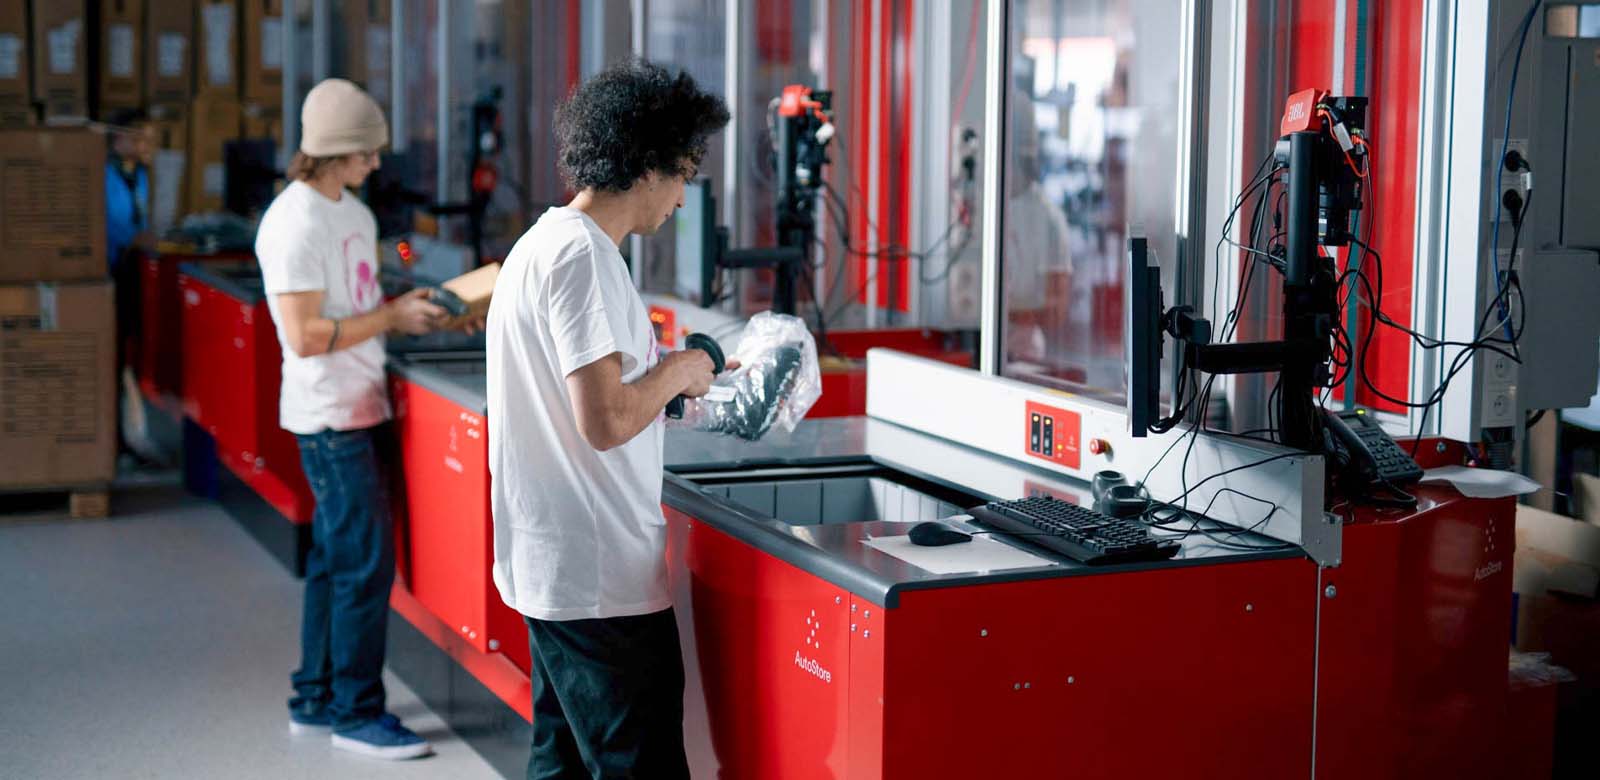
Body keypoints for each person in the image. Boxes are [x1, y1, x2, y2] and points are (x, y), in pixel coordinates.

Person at [485, 59, 730, 778]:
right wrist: (682, 369)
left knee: (559, 762)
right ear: (648, 165)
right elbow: (605, 419)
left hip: (559, 569)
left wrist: (667, 385)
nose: (683, 199)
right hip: (598, 582)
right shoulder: (583, 259)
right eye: (683, 174)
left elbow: (597, 400)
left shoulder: (543, 245)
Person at [255, 78, 449, 761]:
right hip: (329, 416)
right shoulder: (293, 223)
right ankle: (356, 712)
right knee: (365, 563)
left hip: (363, 402)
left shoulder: (354, 215)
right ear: (338, 151)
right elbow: (305, 335)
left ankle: (314, 696)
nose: (376, 163)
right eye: (368, 151)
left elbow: (357, 300)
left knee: (338, 562)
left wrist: (405, 303)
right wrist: (390, 319)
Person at [105, 109, 158, 461]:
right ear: (118, 138)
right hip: (113, 270)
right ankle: (115, 441)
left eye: (146, 137)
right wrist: (137, 239)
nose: (143, 144)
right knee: (113, 358)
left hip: (136, 272)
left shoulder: (140, 174)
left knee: (133, 355)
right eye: (136, 136)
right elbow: (113, 225)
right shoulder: (104, 175)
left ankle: (132, 437)